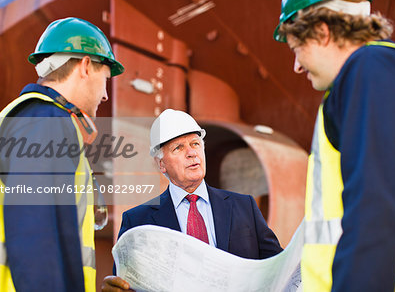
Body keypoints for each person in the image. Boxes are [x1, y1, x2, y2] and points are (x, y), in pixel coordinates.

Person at [0, 17, 124, 291]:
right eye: (106, 79)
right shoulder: (45, 119)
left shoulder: (32, 118)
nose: (105, 95)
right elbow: (35, 235)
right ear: (86, 66)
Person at [274, 0, 395, 291]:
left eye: (297, 48)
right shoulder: (375, 72)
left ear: (322, 32)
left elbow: (377, 207)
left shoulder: (371, 69)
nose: (296, 66)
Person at [102, 109, 283, 291]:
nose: (191, 153)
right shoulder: (137, 222)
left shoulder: (245, 207)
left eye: (195, 144)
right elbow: (126, 285)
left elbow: (280, 268)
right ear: (161, 164)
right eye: (178, 148)